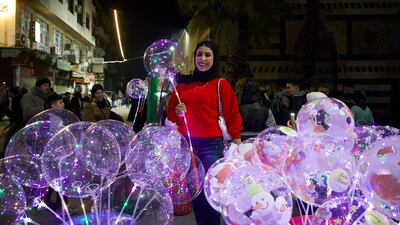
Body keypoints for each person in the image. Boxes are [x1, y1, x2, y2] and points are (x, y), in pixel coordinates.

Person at [167, 40, 242, 225]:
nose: (203, 59)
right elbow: (171, 114)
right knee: (195, 192)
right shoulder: (183, 85)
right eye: (199, 54)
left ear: (214, 59)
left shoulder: (220, 84)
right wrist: (176, 112)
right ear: (194, 58)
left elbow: (232, 114)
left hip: (211, 146)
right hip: (187, 145)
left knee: (210, 193)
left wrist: (238, 143)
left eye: (208, 55)